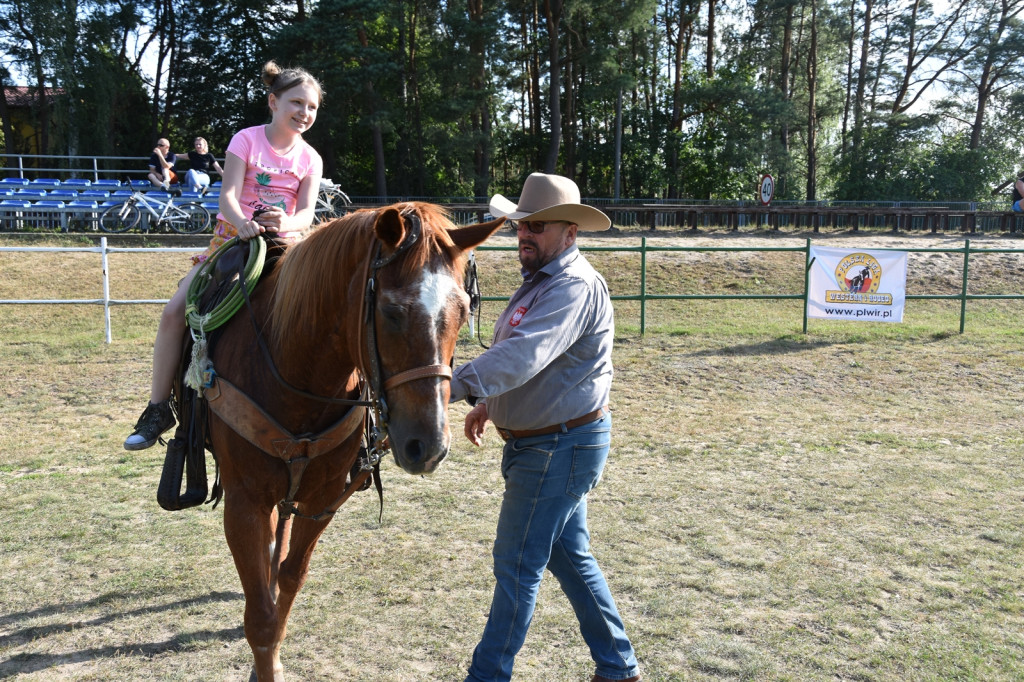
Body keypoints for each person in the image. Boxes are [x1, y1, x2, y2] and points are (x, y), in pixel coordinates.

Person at [449, 173, 641, 682]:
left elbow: (523, 355)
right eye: (519, 225)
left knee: (516, 565)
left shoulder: (572, 286)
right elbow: (532, 360)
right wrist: (491, 402)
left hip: (557, 446)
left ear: (570, 232)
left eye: (536, 225)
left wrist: (445, 387)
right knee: (568, 557)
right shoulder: (544, 281)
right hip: (554, 443)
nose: (524, 234)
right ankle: (618, 666)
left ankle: (487, 676)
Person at [123, 60, 324, 451]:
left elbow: (306, 214)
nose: (304, 112)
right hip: (233, 242)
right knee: (172, 313)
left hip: (285, 244)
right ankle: (158, 407)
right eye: (296, 102)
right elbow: (228, 196)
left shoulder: (310, 158)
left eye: (312, 107)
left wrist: (285, 221)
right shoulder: (246, 140)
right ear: (273, 101)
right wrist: (244, 222)